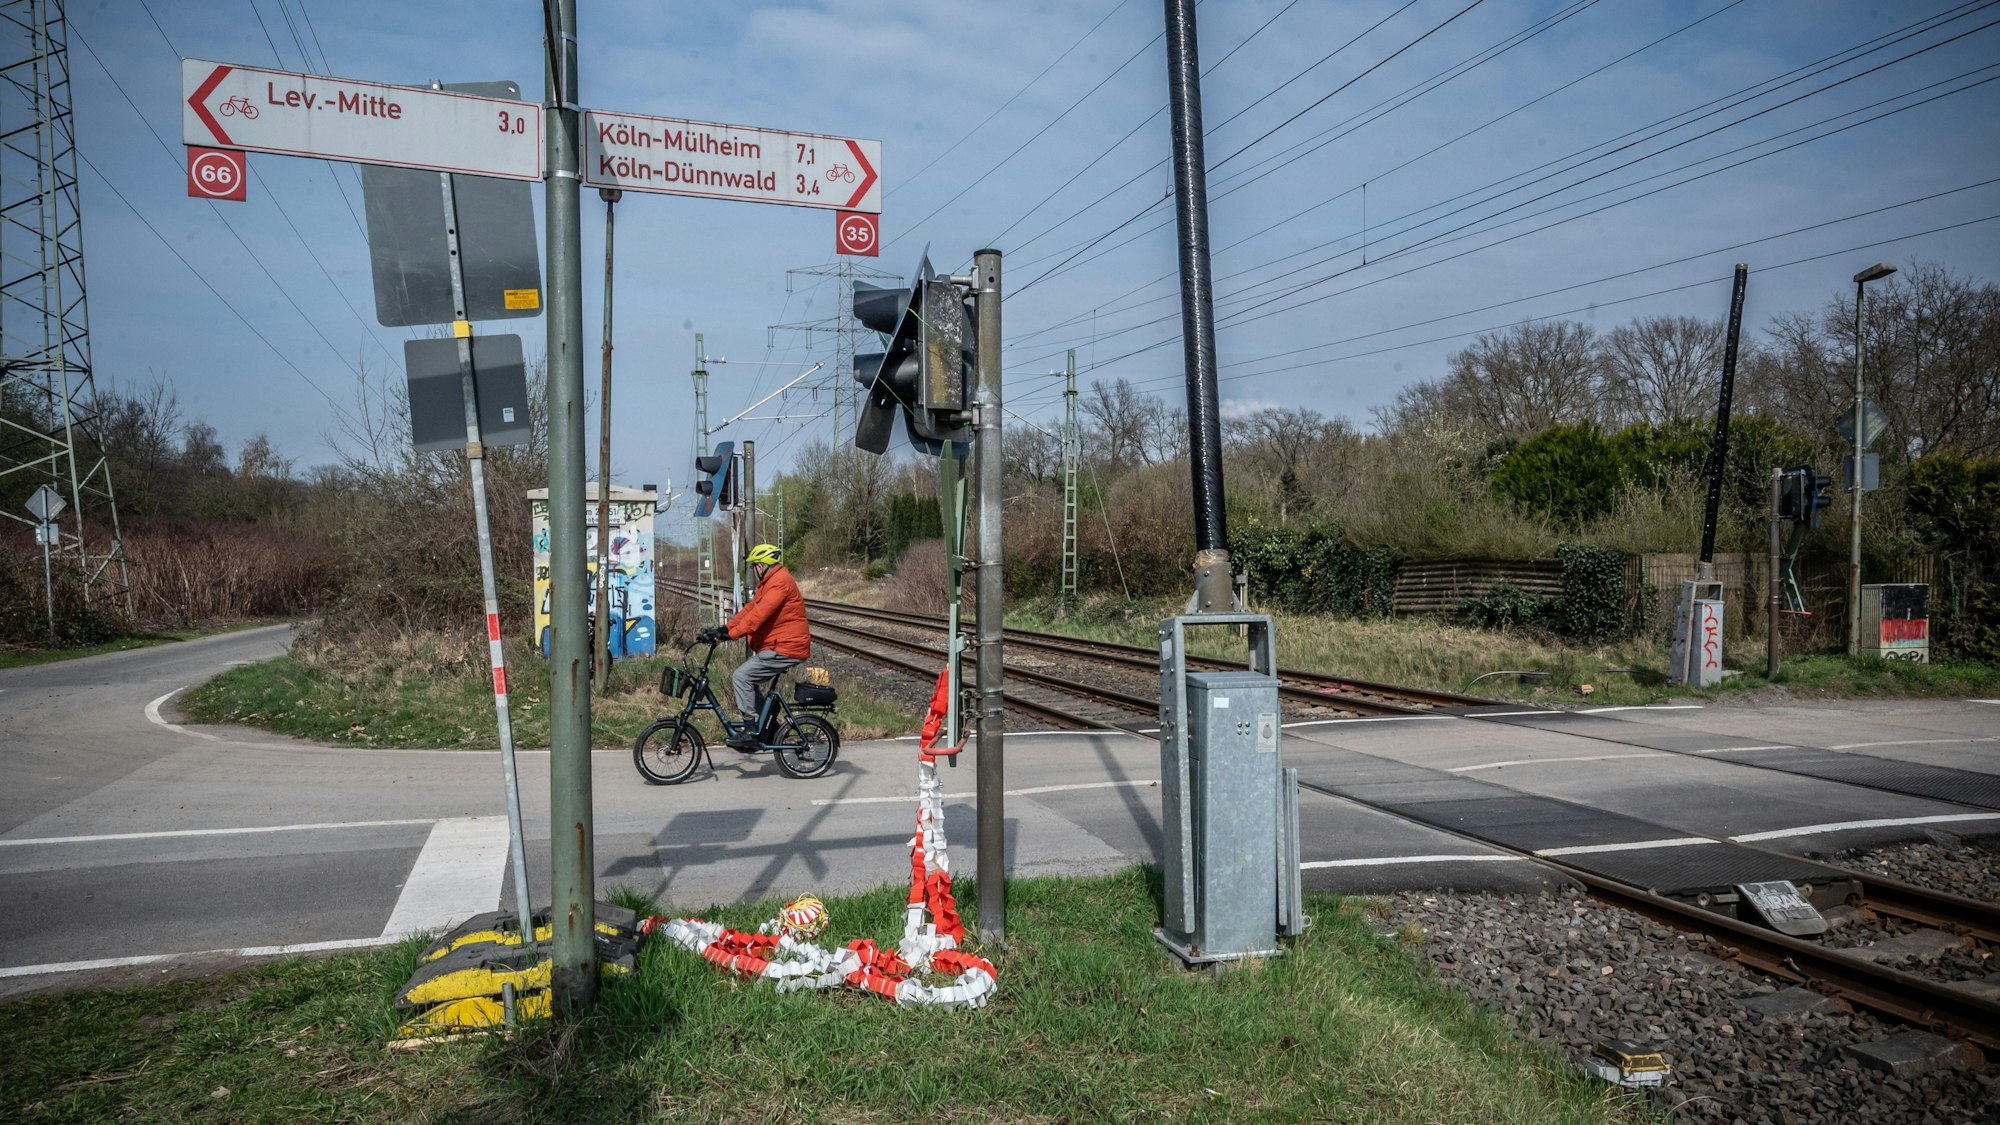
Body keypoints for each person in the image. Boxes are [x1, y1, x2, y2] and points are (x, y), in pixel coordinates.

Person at [700, 544, 809, 748]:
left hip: (786, 647)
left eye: (754, 567)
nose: (754, 570)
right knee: (748, 681)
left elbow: (757, 617)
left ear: (761, 566)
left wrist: (729, 636)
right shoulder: (769, 583)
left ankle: (751, 732)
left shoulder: (780, 583)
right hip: (778, 645)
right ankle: (770, 727)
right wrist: (724, 628)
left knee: (742, 677)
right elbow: (750, 610)